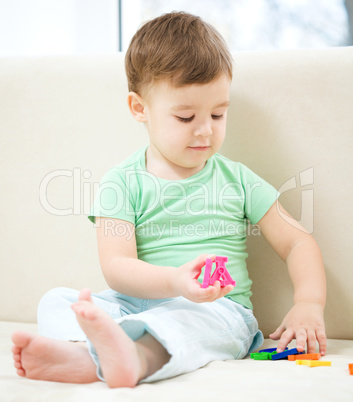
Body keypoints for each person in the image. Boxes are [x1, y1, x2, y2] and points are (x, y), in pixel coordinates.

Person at [11, 11, 326, 388]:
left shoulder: (238, 180)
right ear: (139, 108)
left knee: (186, 322)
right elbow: (117, 266)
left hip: (216, 309)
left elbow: (297, 241)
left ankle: (125, 357)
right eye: (186, 117)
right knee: (57, 301)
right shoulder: (120, 183)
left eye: (218, 113)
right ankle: (92, 353)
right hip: (135, 304)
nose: (205, 129)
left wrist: (309, 303)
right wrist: (175, 281)